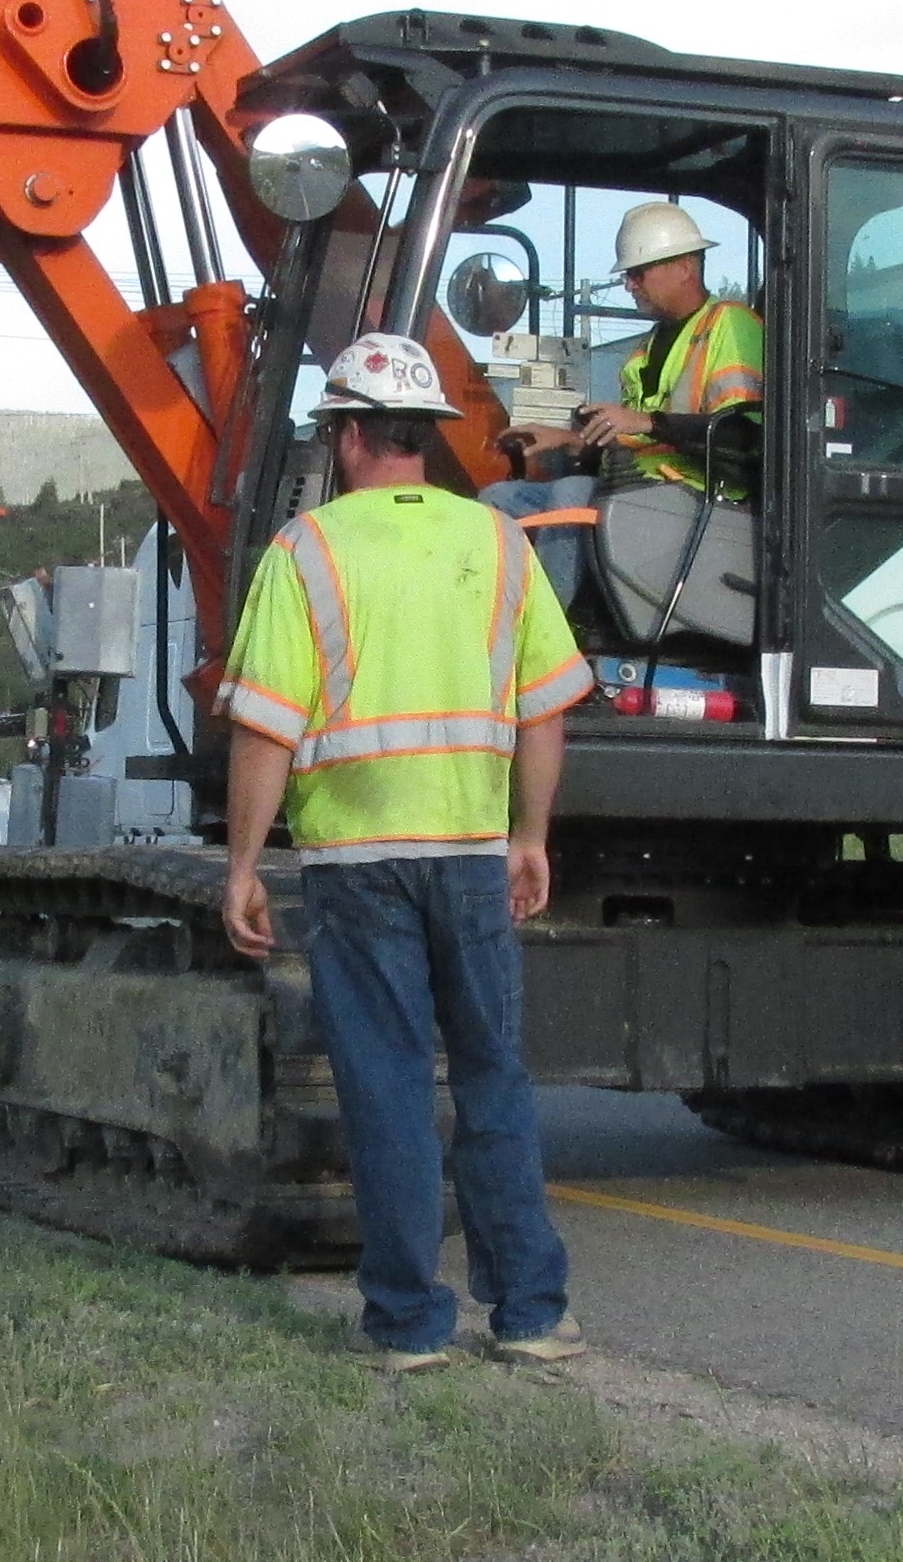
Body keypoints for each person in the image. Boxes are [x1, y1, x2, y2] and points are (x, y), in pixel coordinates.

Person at [219, 330, 595, 1374]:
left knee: (384, 1086)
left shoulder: (307, 550)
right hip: (472, 851)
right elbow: (546, 709)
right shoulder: (500, 544)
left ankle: (408, 1326)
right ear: (425, 436)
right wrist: (530, 835)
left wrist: (244, 865)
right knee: (492, 1078)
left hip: (355, 864)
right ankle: (529, 1314)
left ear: (344, 436)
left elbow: (266, 726)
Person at [486, 199, 767, 603]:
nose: (628, 285)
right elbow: (633, 441)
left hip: (703, 502)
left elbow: (743, 438)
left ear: (685, 267)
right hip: (640, 494)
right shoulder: (644, 351)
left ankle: (553, 634)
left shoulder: (731, 327)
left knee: (571, 495)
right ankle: (493, 626)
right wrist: (567, 440)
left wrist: (649, 422)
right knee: (501, 500)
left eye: (637, 273)